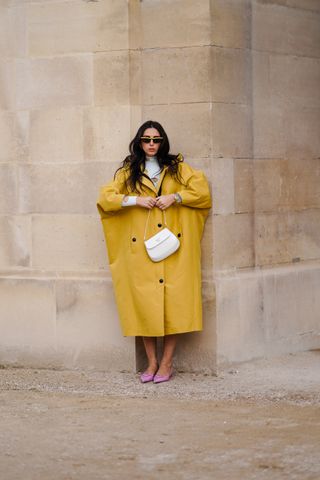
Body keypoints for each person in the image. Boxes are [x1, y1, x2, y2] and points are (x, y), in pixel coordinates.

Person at [97, 120, 211, 384]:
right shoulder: (129, 171)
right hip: (142, 251)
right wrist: (135, 200)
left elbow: (202, 192)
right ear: (139, 142)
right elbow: (106, 198)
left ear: (163, 142)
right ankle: (151, 362)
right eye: (146, 139)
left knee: (175, 306)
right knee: (144, 308)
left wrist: (176, 197)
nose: (151, 144)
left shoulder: (178, 168)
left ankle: (167, 363)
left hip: (174, 249)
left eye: (156, 139)